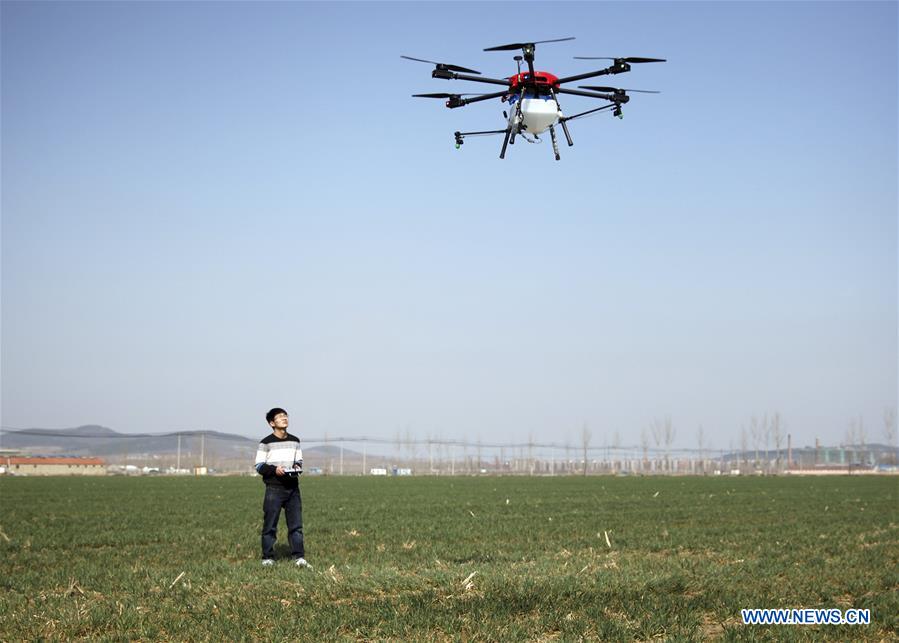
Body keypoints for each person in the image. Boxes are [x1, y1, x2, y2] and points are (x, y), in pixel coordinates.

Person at [254, 407, 310, 568]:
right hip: (274, 489)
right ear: (272, 423)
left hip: (293, 488)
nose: (284, 418)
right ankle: (267, 558)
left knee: (296, 526)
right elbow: (259, 466)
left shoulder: (295, 440)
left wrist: (297, 467)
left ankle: (299, 557)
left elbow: (299, 461)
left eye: (285, 415)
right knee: (270, 525)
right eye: (279, 417)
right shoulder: (266, 443)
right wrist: (274, 470)